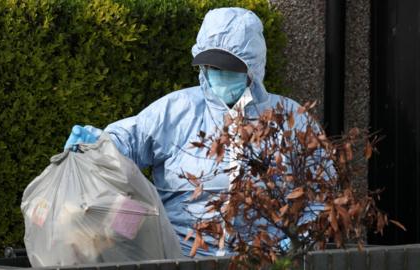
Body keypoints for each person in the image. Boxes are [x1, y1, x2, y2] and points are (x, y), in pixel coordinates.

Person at [64, 7, 309, 256]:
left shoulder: (289, 119)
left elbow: (323, 189)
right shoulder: (179, 110)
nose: (220, 74)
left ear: (253, 68)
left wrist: (302, 236)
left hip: (264, 258)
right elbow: (130, 140)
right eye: (212, 66)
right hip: (180, 257)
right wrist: (98, 145)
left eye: (229, 68)